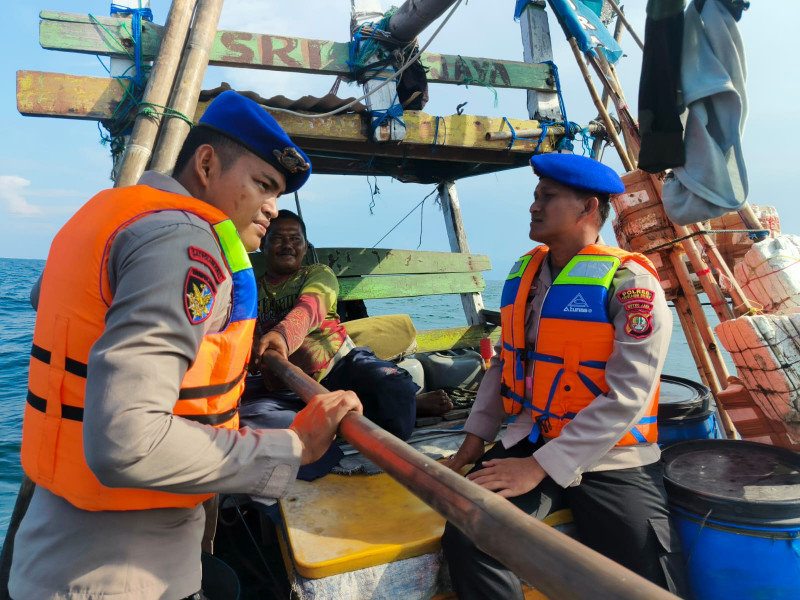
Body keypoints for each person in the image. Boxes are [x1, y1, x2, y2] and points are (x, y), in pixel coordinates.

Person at [9, 90, 362, 600]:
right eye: (263, 184)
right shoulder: (186, 244)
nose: (271, 210)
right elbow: (128, 442)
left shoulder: (106, 213)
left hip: (48, 542)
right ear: (205, 163)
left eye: (279, 194)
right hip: (126, 570)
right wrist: (294, 447)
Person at [441, 153, 687, 598]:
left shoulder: (631, 283)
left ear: (589, 208)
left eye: (548, 197)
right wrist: (473, 442)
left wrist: (537, 468)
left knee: (647, 584)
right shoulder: (525, 274)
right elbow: (506, 362)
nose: (534, 207)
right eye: (535, 196)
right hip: (533, 438)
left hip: (611, 458)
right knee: (471, 529)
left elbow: (628, 395)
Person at [244, 210, 452, 476]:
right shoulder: (252, 289)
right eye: (278, 238)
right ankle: (336, 447)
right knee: (256, 420)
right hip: (286, 390)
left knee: (393, 386)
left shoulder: (319, 273)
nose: (287, 245)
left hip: (341, 368)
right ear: (264, 244)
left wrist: (283, 335)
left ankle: (405, 405)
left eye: (295, 239)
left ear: (305, 247)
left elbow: (311, 307)